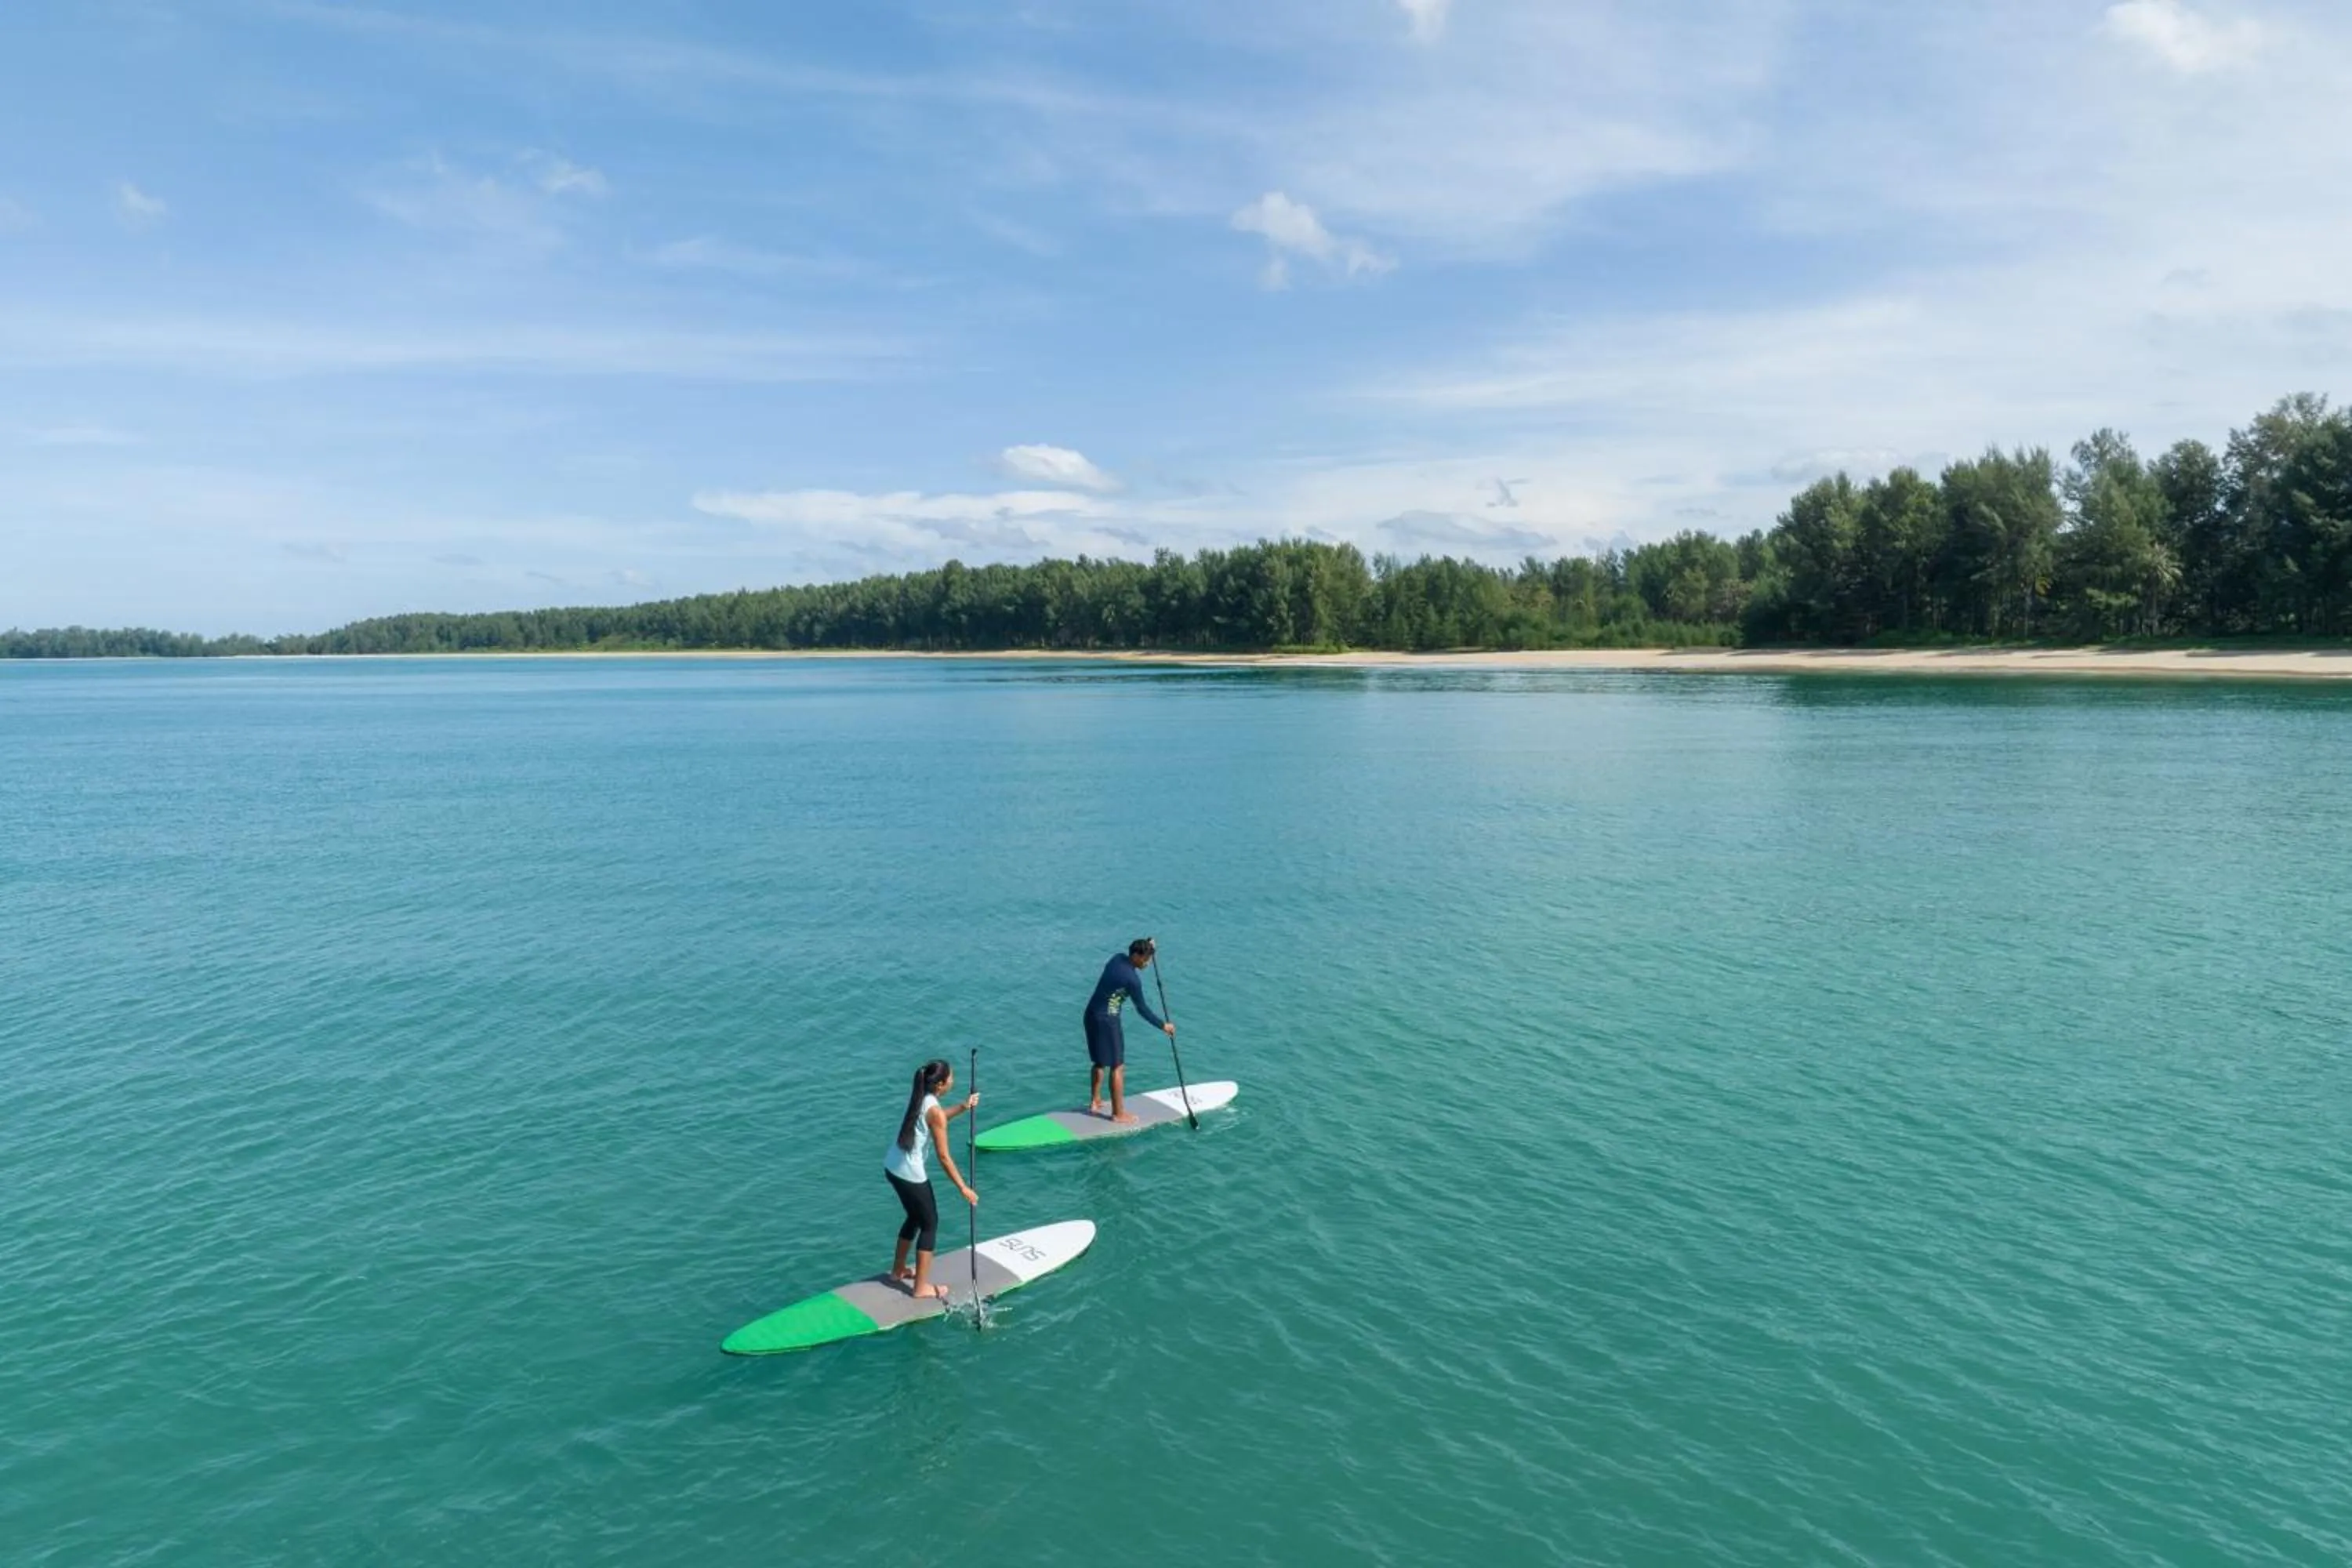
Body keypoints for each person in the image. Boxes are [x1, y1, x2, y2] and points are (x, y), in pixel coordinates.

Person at [884, 1058, 979, 1301]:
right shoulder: (934, 1110)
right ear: (940, 1085)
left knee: (914, 1217)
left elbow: (936, 1118)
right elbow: (944, 1157)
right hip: (910, 1174)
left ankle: (898, 1271)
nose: (953, 1081)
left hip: (892, 1166)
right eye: (951, 1078)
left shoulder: (921, 1097)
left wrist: (963, 1107)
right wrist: (963, 1188)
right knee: (930, 1223)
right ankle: (920, 1288)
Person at [1083, 937, 1175, 1123]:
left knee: (1099, 1062)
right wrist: (1162, 1025)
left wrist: (1149, 945)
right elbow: (1142, 1009)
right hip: (1108, 1021)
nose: (1147, 963)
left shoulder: (1116, 958)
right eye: (1145, 959)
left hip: (1091, 1014)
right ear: (1136, 956)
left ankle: (1095, 1101)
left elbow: (1139, 949)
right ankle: (1118, 1114)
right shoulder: (1132, 980)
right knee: (1117, 1066)